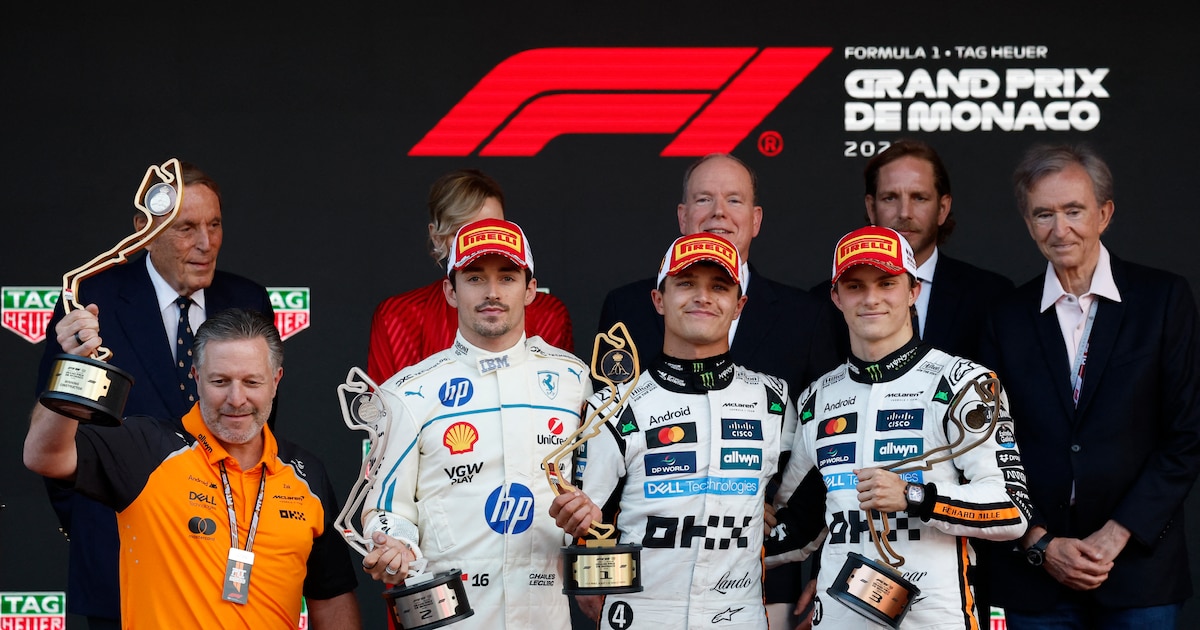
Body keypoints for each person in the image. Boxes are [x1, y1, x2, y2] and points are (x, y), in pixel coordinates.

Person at [595, 153, 838, 626]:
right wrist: (599, 568)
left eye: (734, 200)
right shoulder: (626, 305)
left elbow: (821, 450)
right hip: (641, 589)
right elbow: (602, 459)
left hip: (758, 580)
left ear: (756, 219)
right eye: (704, 199)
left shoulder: (806, 314)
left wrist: (772, 514)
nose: (719, 213)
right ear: (682, 214)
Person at [32, 162, 275, 629]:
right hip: (121, 559)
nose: (206, 243)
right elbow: (56, 435)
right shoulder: (90, 301)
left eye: (214, 224)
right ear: (144, 231)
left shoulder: (248, 300)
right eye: (186, 228)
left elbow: (256, 426)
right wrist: (91, 523)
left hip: (224, 564)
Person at [24, 308, 360, 628]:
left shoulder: (306, 474)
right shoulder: (145, 447)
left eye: (252, 382)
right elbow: (44, 456)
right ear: (196, 377)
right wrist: (76, 367)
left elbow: (332, 597)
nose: (236, 399)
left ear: (276, 380)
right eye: (220, 381)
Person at [979, 144, 1200, 628]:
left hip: (1139, 572)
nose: (1060, 230)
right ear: (1028, 223)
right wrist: (1039, 542)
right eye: (1044, 214)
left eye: (1074, 211)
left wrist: (1116, 535)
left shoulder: (1163, 300)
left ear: (1105, 213)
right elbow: (988, 444)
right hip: (1034, 577)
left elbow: (1187, 434)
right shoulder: (1005, 317)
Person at [771, 225, 1031, 629]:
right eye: (855, 286)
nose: (871, 298)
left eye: (887, 283)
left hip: (935, 617)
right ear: (836, 298)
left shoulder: (963, 383)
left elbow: (1011, 509)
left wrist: (914, 496)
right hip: (839, 619)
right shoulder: (817, 399)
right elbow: (799, 524)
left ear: (913, 291)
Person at [551, 232, 797, 629]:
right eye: (686, 283)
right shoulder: (613, 406)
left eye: (719, 287)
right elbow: (587, 527)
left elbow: (802, 505)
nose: (703, 297)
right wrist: (581, 535)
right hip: (641, 614)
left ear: (739, 305)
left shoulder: (773, 399)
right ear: (658, 299)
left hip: (738, 614)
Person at [358, 218, 591, 629]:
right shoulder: (407, 392)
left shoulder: (574, 380)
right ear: (451, 291)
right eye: (475, 278)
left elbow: (596, 494)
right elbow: (385, 509)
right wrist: (394, 542)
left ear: (531, 290)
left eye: (507, 277)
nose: (492, 292)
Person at [367, 168, 574, 385]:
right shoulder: (397, 318)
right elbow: (382, 405)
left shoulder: (548, 315)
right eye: (462, 232)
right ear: (436, 237)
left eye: (491, 228)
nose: (480, 241)